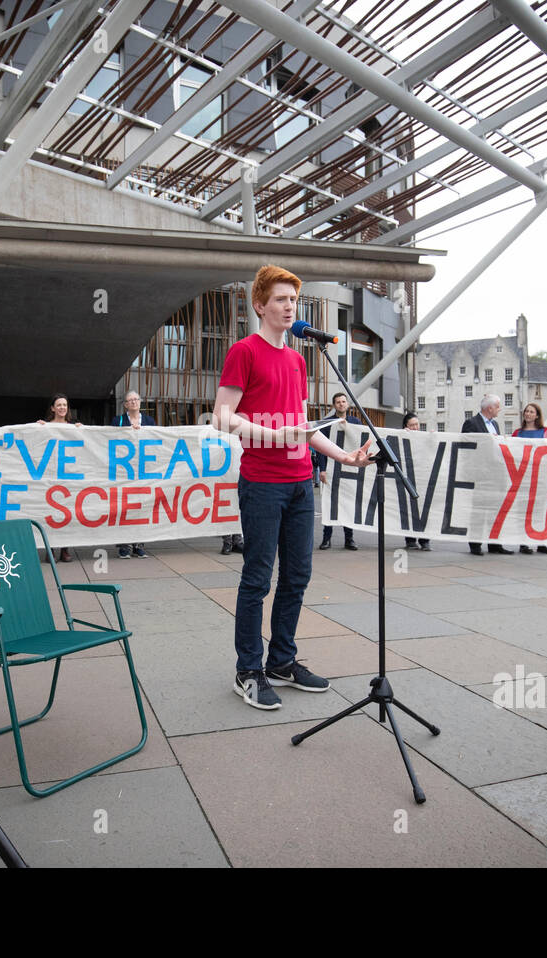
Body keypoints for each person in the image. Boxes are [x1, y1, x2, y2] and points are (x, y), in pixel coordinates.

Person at [214, 264, 375, 710]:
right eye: (281, 299)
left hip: (302, 482)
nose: (290, 307)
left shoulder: (300, 358)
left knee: (298, 577)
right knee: (257, 579)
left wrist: (344, 457)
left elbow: (304, 427)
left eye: (294, 300)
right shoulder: (244, 352)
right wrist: (273, 436)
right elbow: (222, 416)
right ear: (261, 304)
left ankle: (281, 661)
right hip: (262, 483)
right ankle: (248, 670)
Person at [461, 394, 512, 555]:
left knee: (494, 509)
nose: (499, 409)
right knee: (479, 510)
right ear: (490, 408)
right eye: (498, 406)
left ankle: (494, 543)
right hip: (480, 475)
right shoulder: (471, 423)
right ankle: (475, 544)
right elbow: (466, 447)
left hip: (495, 475)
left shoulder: (495, 424)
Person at [37, 393, 81, 562]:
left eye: (65, 405)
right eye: (59, 405)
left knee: (67, 514)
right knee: (50, 514)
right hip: (50, 475)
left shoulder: (73, 427)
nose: (62, 407)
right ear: (53, 408)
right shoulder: (45, 426)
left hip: (68, 476)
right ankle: (51, 549)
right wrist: (37, 429)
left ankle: (65, 549)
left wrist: (82, 431)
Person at [112, 391, 154, 559]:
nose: (134, 402)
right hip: (124, 471)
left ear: (140, 401)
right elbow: (110, 440)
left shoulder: (149, 421)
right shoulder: (118, 421)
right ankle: (124, 544)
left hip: (144, 470)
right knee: (124, 508)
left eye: (136, 399)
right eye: (130, 400)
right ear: (125, 405)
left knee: (142, 506)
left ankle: (139, 544)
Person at [317, 392, 361, 551]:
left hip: (348, 469)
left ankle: (349, 539)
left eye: (343, 401)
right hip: (331, 468)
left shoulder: (355, 422)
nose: (341, 404)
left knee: (348, 504)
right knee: (330, 503)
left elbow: (359, 445)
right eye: (338, 402)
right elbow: (321, 448)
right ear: (334, 405)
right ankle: (326, 538)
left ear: (347, 404)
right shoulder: (327, 423)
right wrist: (322, 469)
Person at [512, 402, 547, 555]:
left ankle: (542, 541)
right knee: (524, 509)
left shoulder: (546, 432)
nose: (528, 414)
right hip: (523, 475)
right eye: (526, 411)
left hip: (541, 476)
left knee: (541, 509)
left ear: (537, 415)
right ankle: (524, 542)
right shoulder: (517, 433)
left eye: (531, 412)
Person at [401, 412, 430, 551]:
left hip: (422, 478)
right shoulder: (402, 436)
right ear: (406, 426)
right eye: (412, 425)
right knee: (409, 509)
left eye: (417, 425)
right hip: (409, 477)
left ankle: (425, 540)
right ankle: (410, 539)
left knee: (425, 509)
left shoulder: (424, 437)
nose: (415, 428)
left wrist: (433, 437)